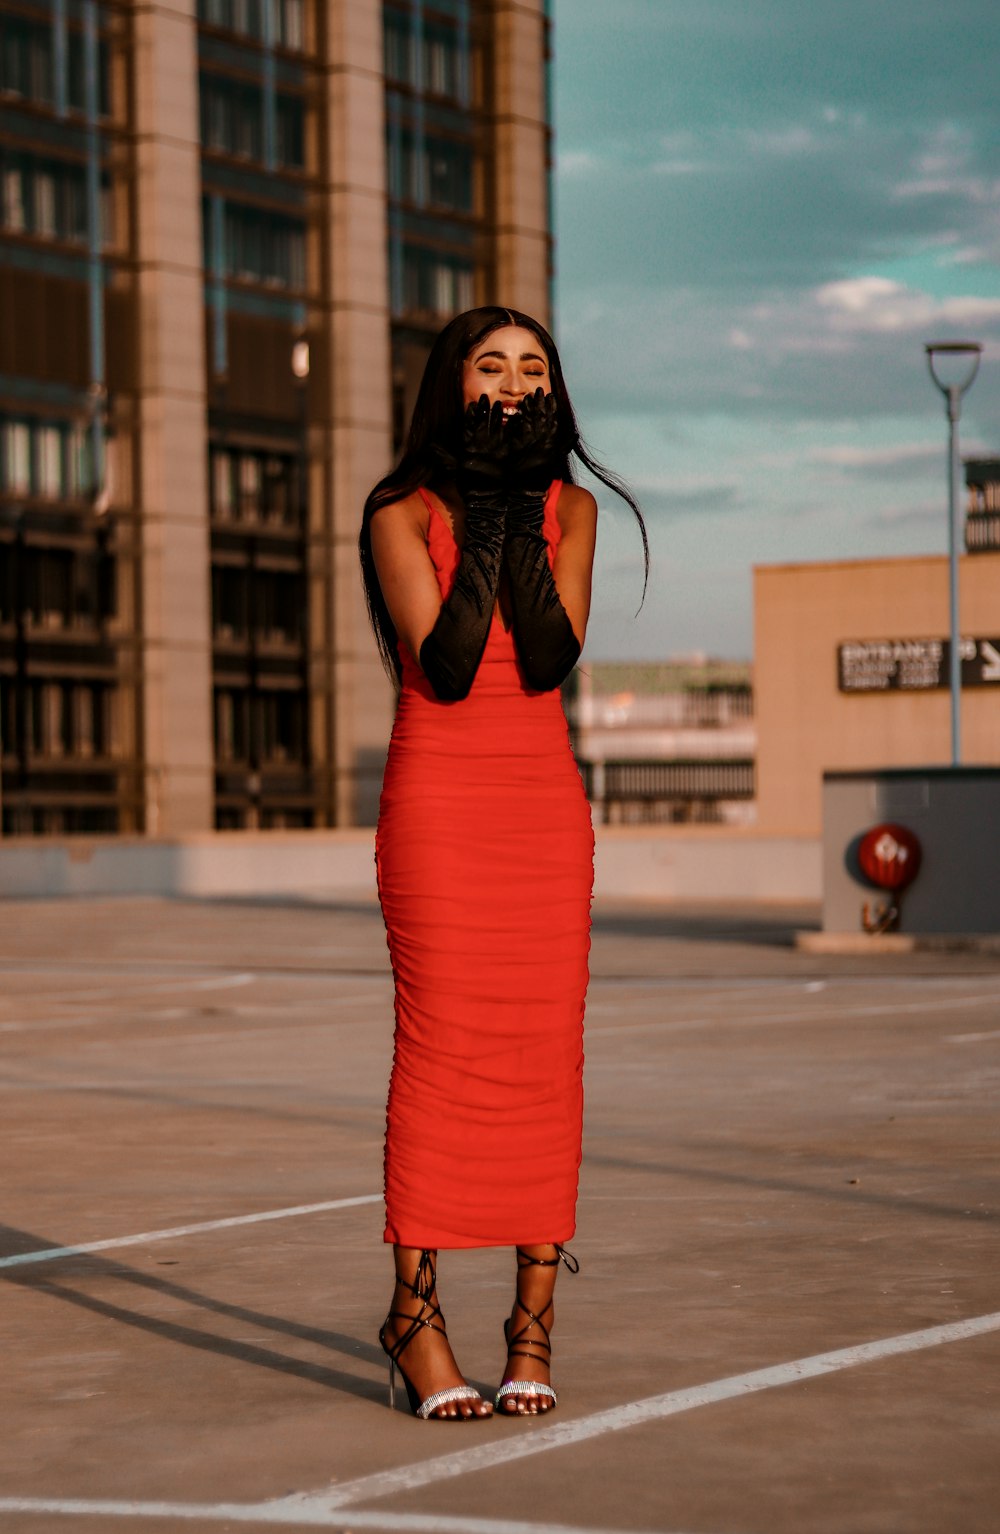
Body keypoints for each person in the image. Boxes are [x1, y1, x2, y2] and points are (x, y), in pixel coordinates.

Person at [359, 306, 647, 1420]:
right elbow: (443, 659)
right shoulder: (398, 511)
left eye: (534, 368)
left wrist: (519, 509)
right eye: (493, 367)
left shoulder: (570, 510)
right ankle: (415, 1318)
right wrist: (478, 508)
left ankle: (532, 1325)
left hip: (537, 805)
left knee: (542, 1049)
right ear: (453, 385)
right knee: (438, 1049)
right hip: (439, 800)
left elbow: (545, 659)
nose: (517, 383)